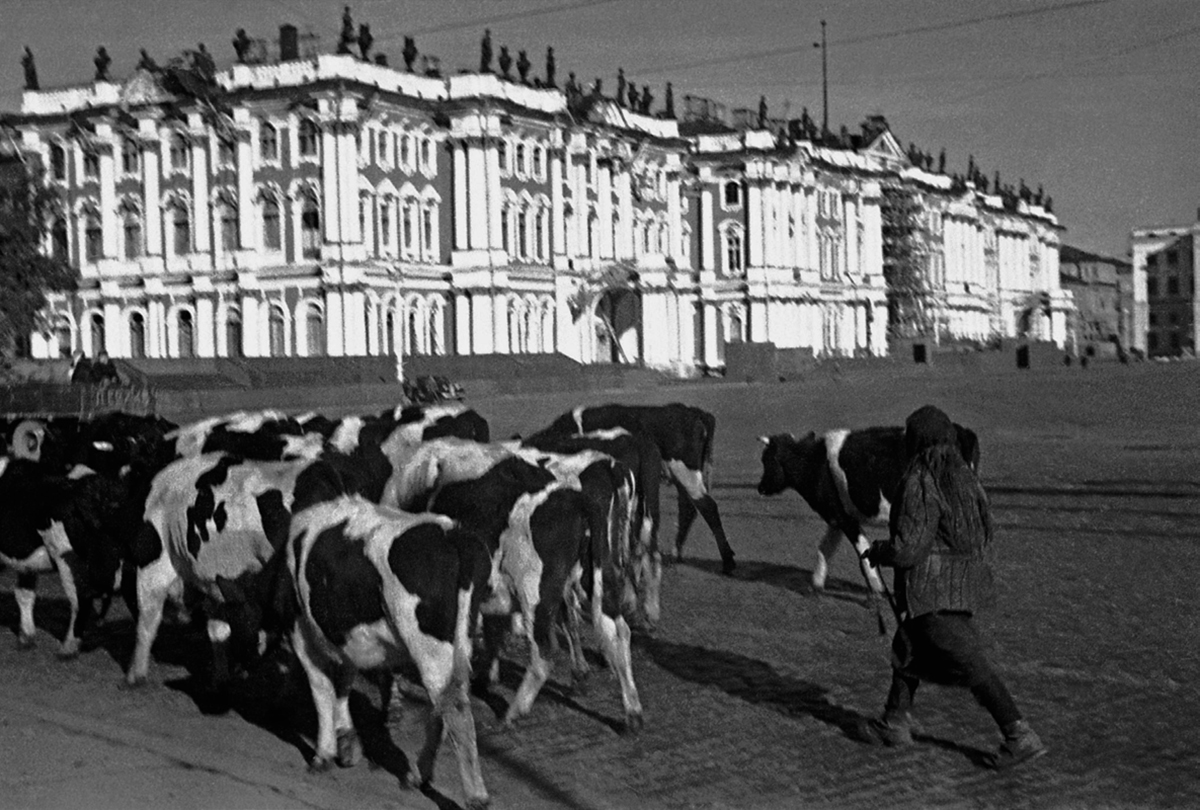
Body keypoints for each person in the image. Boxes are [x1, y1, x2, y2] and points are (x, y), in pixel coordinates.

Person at [858, 404, 1047, 770]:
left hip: (931, 591)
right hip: (962, 585)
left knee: (969, 661)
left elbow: (910, 549)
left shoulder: (920, 480)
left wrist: (879, 551)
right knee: (907, 648)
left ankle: (1018, 733)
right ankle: (893, 722)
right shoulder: (964, 477)